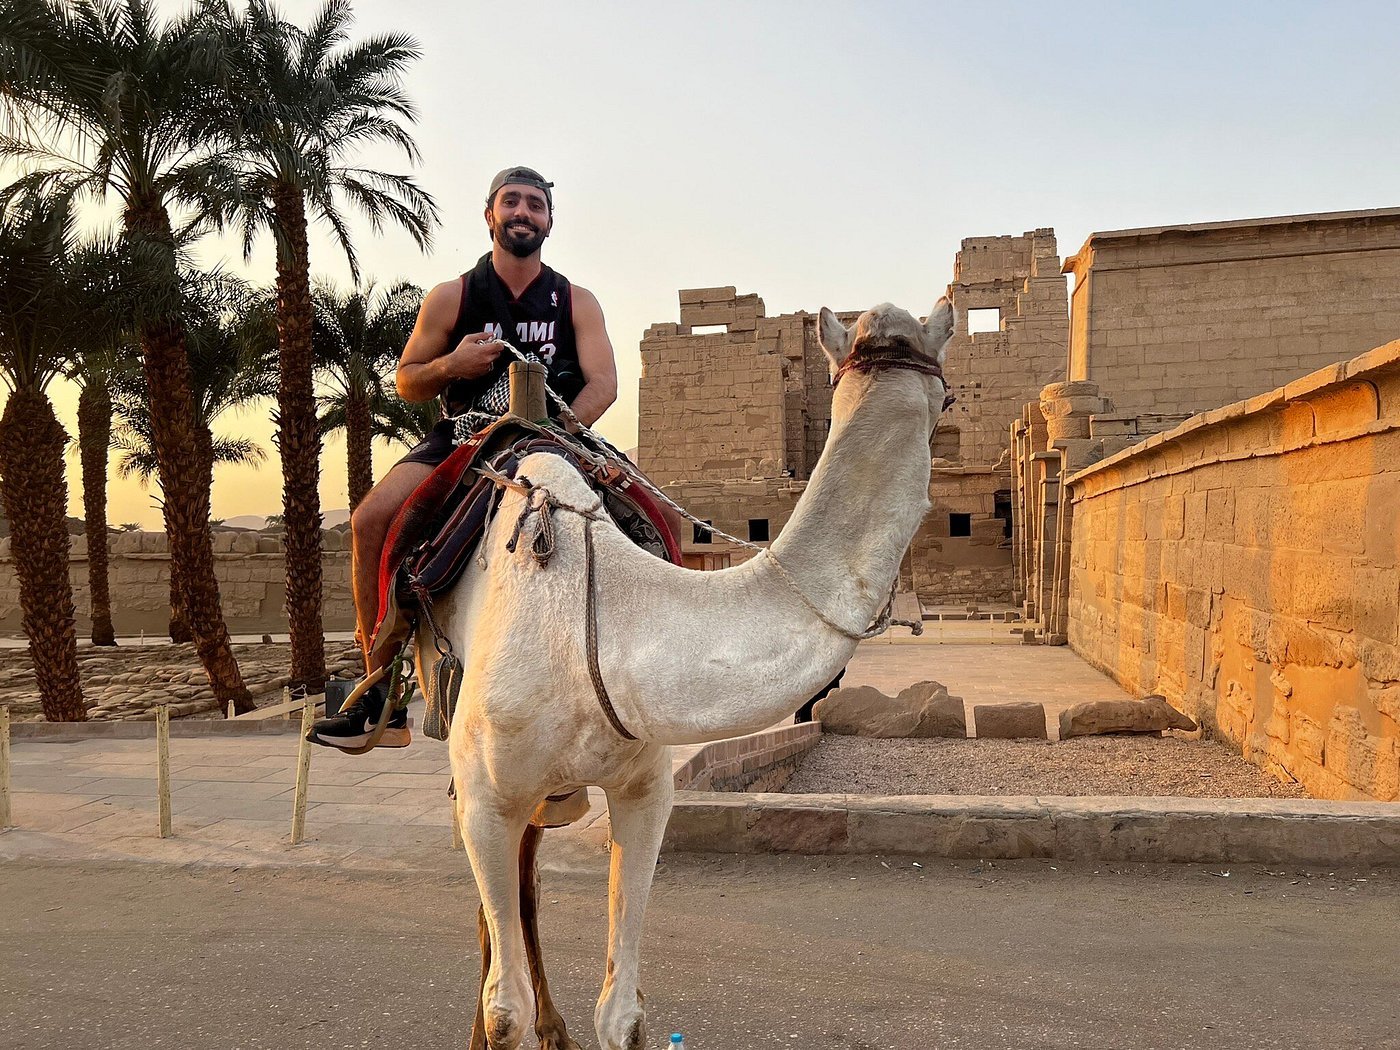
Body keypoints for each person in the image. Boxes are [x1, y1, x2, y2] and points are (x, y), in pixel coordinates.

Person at [308, 166, 619, 752]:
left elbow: (603, 383)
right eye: (512, 201)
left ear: (549, 221)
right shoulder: (453, 296)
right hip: (464, 437)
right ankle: (379, 693)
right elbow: (407, 380)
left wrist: (563, 431)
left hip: (555, 433)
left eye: (535, 204)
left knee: (656, 519)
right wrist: (453, 365)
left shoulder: (576, 301)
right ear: (490, 215)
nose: (523, 212)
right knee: (370, 521)